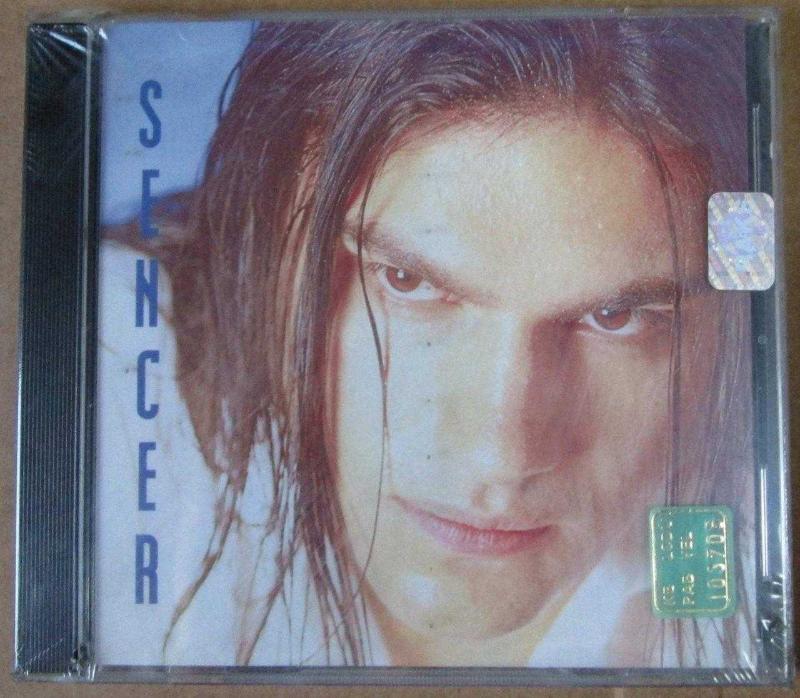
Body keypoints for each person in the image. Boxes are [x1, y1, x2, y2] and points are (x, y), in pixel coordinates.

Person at [109, 16, 755, 667]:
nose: (498, 459)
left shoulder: (761, 503)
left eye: (617, 317)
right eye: (406, 281)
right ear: (270, 227)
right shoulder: (108, 391)